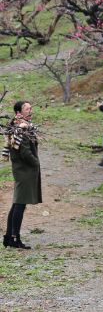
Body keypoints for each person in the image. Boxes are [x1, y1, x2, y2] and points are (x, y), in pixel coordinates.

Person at [4, 101, 40, 250]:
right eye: (27, 108)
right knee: (19, 204)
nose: (30, 110)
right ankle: (14, 238)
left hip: (20, 170)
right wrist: (35, 162)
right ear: (19, 112)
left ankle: (8, 237)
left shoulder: (19, 125)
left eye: (31, 107)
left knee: (17, 204)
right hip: (24, 170)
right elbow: (25, 152)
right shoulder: (21, 128)